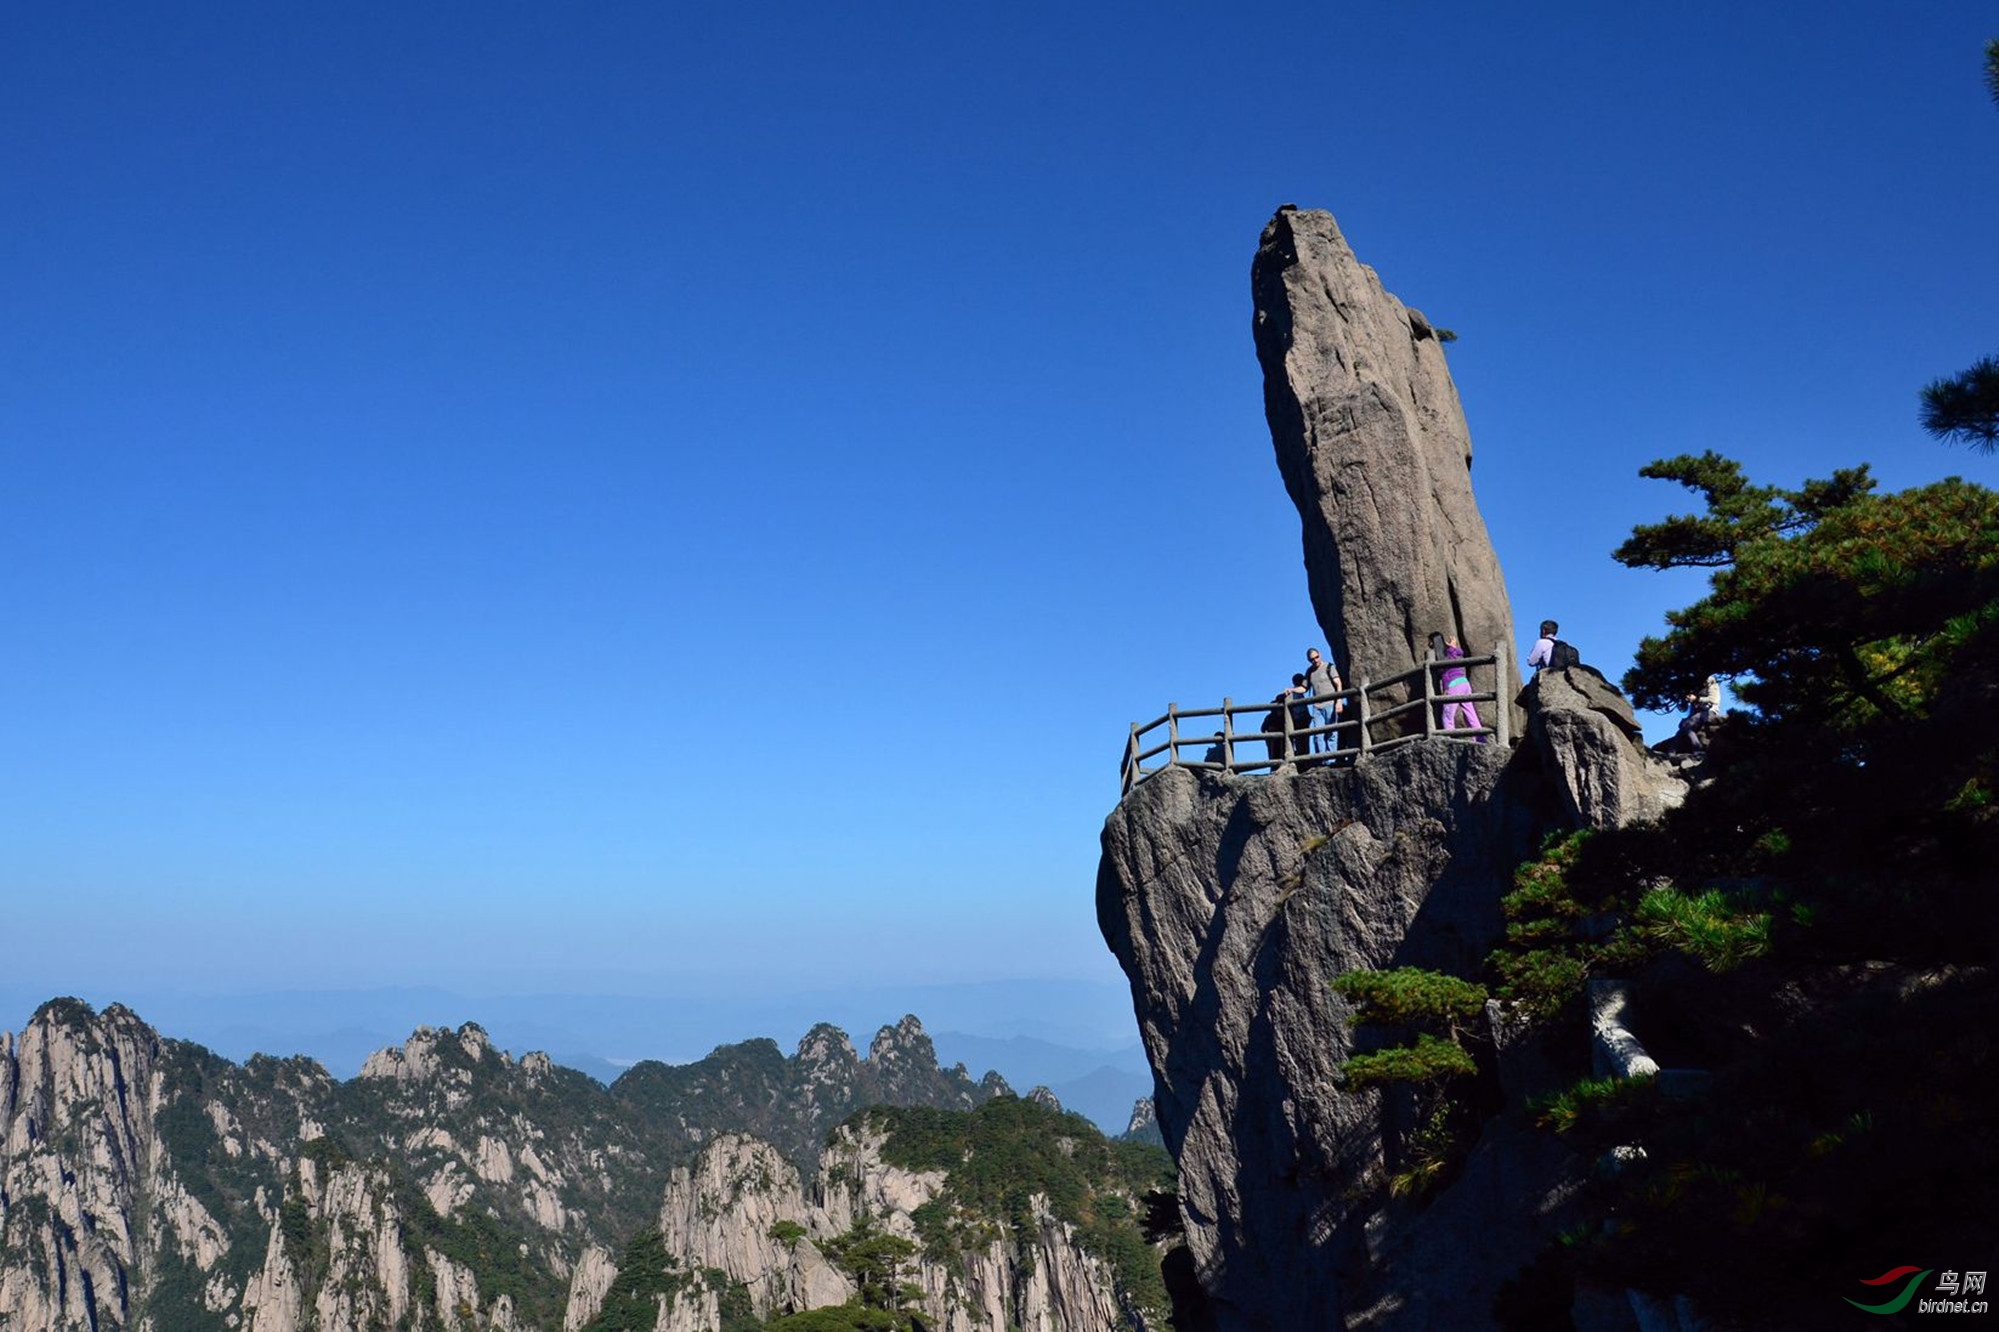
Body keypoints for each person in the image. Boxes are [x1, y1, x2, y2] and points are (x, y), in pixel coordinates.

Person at [1430, 631, 1488, 740]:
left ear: (1434, 643)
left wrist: (1447, 689)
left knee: (1447, 715)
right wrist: (1453, 647)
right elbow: (1460, 652)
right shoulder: (1450, 652)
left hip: (1454, 685)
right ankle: (1481, 740)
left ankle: (1450, 741)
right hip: (1464, 683)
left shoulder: (1444, 655)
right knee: (1470, 713)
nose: (1429, 646)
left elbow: (1447, 675)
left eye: (1430, 643)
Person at [1305, 648, 1345, 753]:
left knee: (1332, 733)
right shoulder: (1309, 672)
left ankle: (1331, 758)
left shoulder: (1329, 667)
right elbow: (1304, 688)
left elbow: (1338, 683)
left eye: (1316, 657)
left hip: (1331, 704)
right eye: (1312, 659)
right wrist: (1291, 690)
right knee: (1318, 734)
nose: (1315, 660)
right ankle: (1322, 760)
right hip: (1317, 707)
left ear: (1320, 654)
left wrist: (1339, 701)